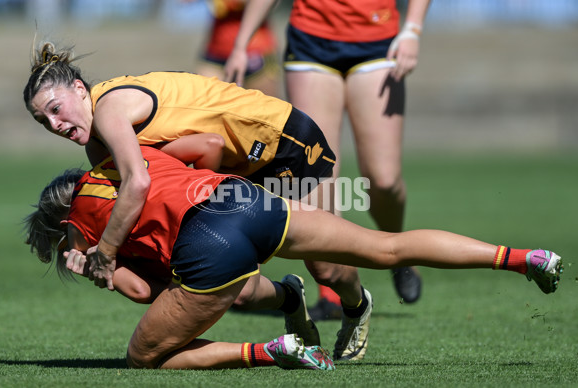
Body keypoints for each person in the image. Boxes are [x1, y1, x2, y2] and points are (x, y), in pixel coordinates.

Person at [24, 145, 563, 370]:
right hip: (243, 197)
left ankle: (273, 348)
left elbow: (143, 291)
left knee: (144, 357)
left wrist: (102, 269)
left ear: (59, 220)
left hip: (209, 239)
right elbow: (209, 142)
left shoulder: (78, 220)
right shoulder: (128, 154)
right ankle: (522, 257)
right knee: (385, 248)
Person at [23, 41, 372, 360]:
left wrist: (109, 252)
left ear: (79, 89)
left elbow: (202, 149)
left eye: (55, 109)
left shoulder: (110, 112)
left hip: (278, 143)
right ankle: (290, 299)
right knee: (240, 289)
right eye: (43, 121)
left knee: (325, 267)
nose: (54, 124)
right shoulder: (98, 145)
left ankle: (356, 307)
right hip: (237, 172)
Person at [225, 0, 431, 320]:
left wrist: (413, 30)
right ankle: (336, 293)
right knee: (319, 180)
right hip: (311, 43)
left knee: (384, 180)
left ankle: (398, 255)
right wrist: (242, 44)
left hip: (379, 42)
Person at [196, 0, 281, 97]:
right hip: (216, 51)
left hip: (255, 52)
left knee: (262, 108)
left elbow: (272, 4)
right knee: (205, 102)